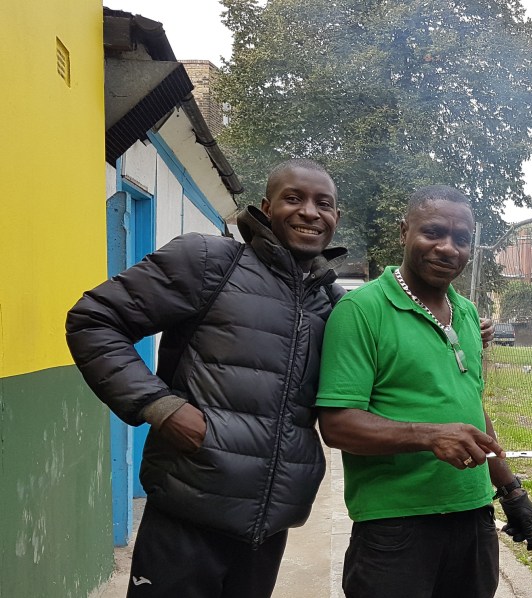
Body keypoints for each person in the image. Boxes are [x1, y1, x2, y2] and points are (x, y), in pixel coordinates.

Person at [65, 159, 345, 598]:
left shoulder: (332, 302)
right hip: (186, 511)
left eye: (323, 204)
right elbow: (94, 321)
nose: (309, 212)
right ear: (266, 207)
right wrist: (160, 406)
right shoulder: (210, 261)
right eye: (294, 198)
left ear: (335, 217)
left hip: (266, 529)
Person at [316, 184, 532, 598]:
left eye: (461, 239)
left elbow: (472, 406)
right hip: (395, 527)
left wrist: (510, 489)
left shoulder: (467, 313)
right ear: (404, 231)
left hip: (474, 518)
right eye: (433, 232)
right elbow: (337, 425)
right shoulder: (361, 311)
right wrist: (429, 435)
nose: (448, 248)